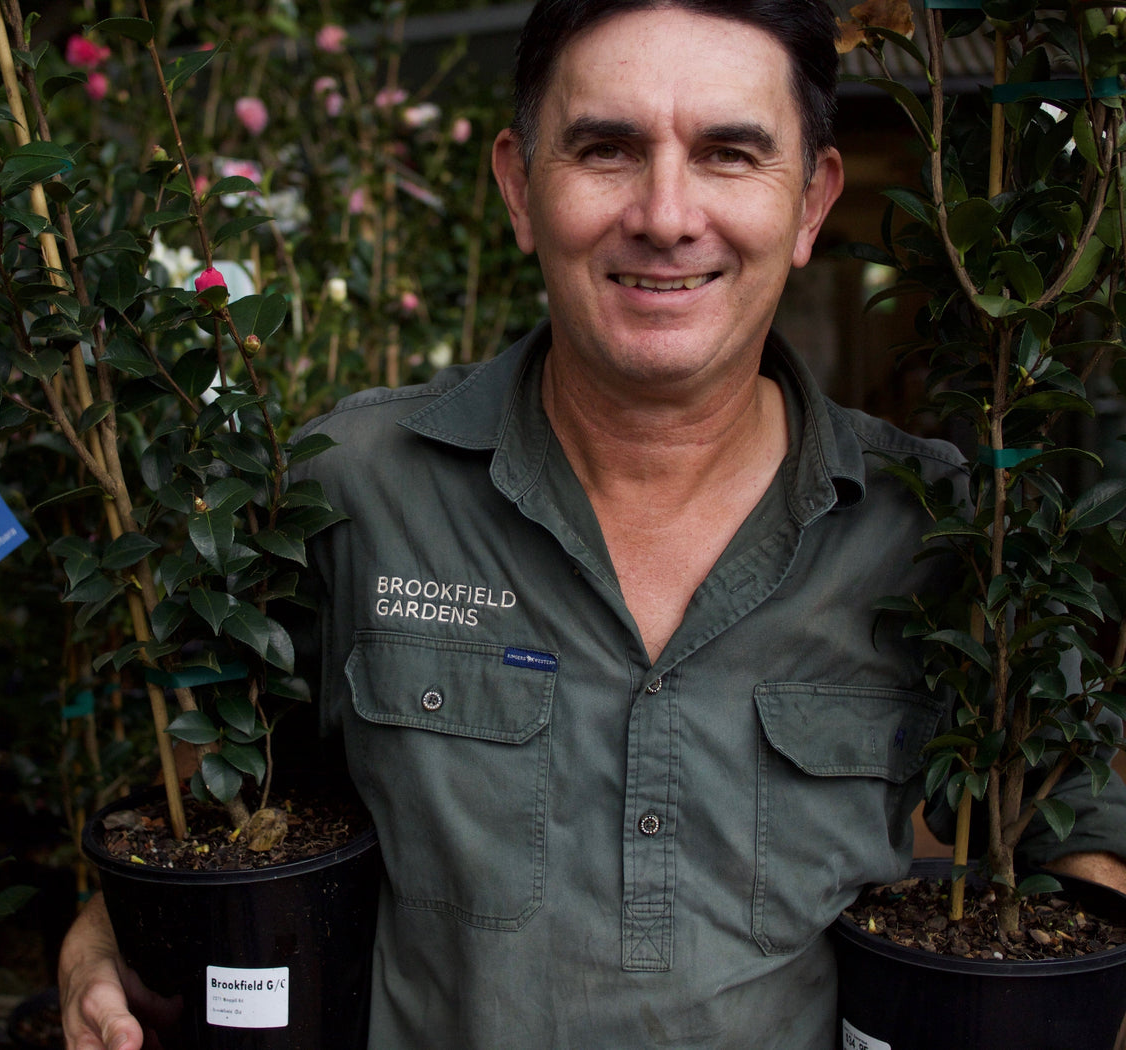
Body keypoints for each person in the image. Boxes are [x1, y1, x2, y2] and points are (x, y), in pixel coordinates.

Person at [61, 1, 1126, 1047]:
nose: (664, 214)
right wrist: (101, 940)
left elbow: (1076, 847)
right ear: (520, 191)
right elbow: (206, 801)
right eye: (606, 148)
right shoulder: (353, 489)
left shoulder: (933, 531)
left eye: (727, 154)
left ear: (809, 205)